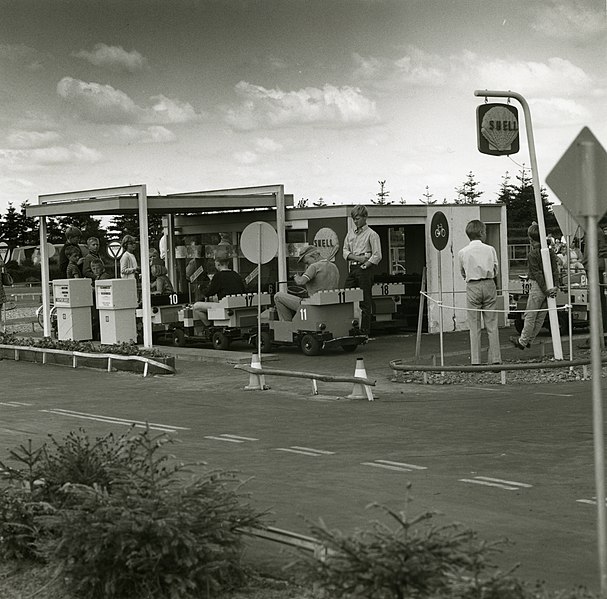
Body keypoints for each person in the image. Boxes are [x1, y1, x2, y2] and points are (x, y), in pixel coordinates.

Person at [509, 223, 560, 350]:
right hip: (550, 286)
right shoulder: (550, 252)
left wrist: (545, 290)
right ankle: (530, 339)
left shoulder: (532, 255)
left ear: (531, 239)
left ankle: (523, 340)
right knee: (540, 316)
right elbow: (555, 270)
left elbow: (537, 274)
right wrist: (555, 286)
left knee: (530, 315)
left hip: (538, 287)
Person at [458, 219, 501, 365]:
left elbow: (462, 272)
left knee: (474, 325)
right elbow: (496, 270)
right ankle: (495, 359)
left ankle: (476, 360)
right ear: (482, 233)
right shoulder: (490, 249)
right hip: (489, 283)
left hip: (473, 285)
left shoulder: (462, 252)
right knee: (492, 323)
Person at [342, 205, 382, 334]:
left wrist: (366, 264)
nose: (355, 221)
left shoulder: (372, 234)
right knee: (347, 295)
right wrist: (358, 258)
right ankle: (348, 327)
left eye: (358, 218)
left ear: (365, 217)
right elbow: (344, 251)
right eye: (354, 219)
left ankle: (364, 331)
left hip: (365, 269)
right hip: (353, 266)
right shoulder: (350, 234)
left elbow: (377, 255)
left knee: (365, 300)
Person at [274, 245, 340, 321]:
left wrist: (296, 276)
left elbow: (300, 282)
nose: (307, 265)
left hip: (312, 305)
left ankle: (286, 325)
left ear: (314, 256)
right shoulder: (334, 266)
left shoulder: (314, 267)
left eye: (307, 262)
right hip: (330, 304)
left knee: (278, 296)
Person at [192, 257, 245, 326]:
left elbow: (208, 292)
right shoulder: (236, 274)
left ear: (218, 264)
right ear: (228, 263)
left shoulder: (218, 276)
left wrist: (201, 287)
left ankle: (209, 326)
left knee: (196, 306)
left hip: (225, 306)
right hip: (237, 305)